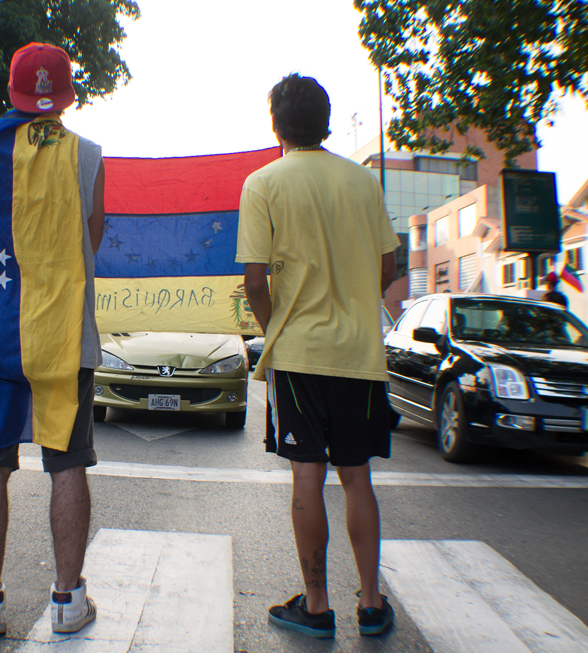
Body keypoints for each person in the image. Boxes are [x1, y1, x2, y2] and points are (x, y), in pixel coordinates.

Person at [0, 42, 105, 636]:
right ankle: (66, 601)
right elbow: (92, 242)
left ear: (13, 92)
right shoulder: (86, 156)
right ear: (65, 97)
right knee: (67, 462)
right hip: (60, 335)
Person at [236, 74, 399, 639]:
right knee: (357, 476)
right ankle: (373, 603)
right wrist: (353, 304)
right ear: (327, 121)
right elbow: (388, 267)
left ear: (276, 123)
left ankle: (316, 604)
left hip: (300, 353)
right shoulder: (362, 182)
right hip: (358, 351)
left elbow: (255, 281)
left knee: (307, 473)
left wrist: (273, 328)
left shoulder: (263, 183)